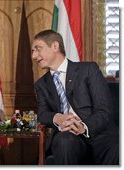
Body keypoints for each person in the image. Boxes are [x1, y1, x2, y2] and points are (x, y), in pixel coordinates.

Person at [32, 30, 119, 165]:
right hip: (69, 136)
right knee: (64, 141)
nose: (34, 56)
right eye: (33, 51)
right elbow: (42, 114)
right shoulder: (41, 84)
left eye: (38, 49)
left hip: (99, 133)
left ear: (55, 46)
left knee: (117, 147)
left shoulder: (88, 69)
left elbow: (104, 109)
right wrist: (57, 118)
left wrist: (84, 127)